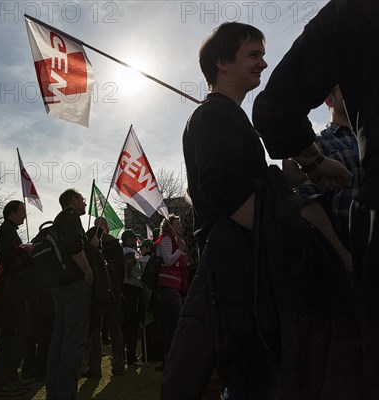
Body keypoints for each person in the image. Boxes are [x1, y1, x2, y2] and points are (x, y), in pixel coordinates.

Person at [252, 2, 378, 397]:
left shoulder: (351, 12)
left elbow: (274, 109)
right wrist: (310, 161)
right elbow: (303, 196)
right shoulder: (322, 144)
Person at [162, 22, 279, 399]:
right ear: (222, 62)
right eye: (254, 54)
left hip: (243, 276)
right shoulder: (216, 115)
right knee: (253, 381)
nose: (263, 63)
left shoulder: (228, 116)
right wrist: (284, 234)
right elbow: (224, 190)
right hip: (239, 279)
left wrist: (286, 180)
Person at [293, 85, 362, 249]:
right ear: (328, 99)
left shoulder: (370, 138)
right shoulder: (316, 145)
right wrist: (341, 253)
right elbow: (302, 197)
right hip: (349, 239)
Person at [46, 188, 95, 400]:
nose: (85, 204)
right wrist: (88, 271)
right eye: (82, 200)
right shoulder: (71, 216)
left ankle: (55, 392)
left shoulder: (58, 221)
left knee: (59, 340)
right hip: (74, 285)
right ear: (73, 201)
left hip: (59, 286)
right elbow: (75, 248)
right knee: (73, 342)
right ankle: (66, 394)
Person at [0, 201, 32, 397]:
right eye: (22, 212)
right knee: (10, 337)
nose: (25, 216)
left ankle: (11, 378)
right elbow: (8, 257)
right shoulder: (7, 230)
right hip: (10, 292)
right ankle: (2, 382)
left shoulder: (10, 230)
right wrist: (26, 253)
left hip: (15, 290)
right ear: (12, 213)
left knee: (16, 337)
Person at [82, 217, 125, 378]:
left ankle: (94, 367)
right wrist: (119, 288)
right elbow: (121, 269)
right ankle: (118, 365)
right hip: (113, 288)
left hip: (95, 289)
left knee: (95, 329)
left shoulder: (87, 239)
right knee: (115, 328)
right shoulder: (114, 242)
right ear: (106, 227)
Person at [154, 215, 187, 369]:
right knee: (176, 325)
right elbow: (167, 260)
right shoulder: (167, 239)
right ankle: (176, 361)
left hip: (170, 288)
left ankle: (170, 361)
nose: (180, 226)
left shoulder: (172, 240)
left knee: (169, 327)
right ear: (170, 226)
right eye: (177, 224)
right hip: (168, 287)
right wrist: (180, 250)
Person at [121, 229, 143, 367]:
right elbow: (129, 263)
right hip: (132, 289)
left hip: (124, 289)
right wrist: (128, 275)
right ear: (129, 239)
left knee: (124, 324)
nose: (136, 241)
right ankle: (131, 357)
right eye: (134, 238)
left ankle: (123, 355)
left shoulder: (121, 251)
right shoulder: (131, 252)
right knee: (132, 324)